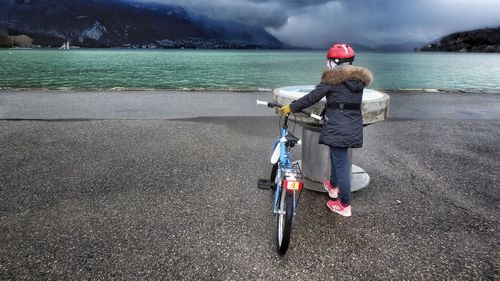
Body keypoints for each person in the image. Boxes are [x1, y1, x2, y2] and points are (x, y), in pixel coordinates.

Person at [279, 43, 373, 217]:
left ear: (335, 62)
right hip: (352, 125)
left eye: (329, 61)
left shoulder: (333, 78)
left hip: (338, 126)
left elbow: (312, 97)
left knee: (342, 164)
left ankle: (344, 205)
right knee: (337, 157)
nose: (327, 64)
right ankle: (333, 185)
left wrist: (291, 107)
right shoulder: (359, 80)